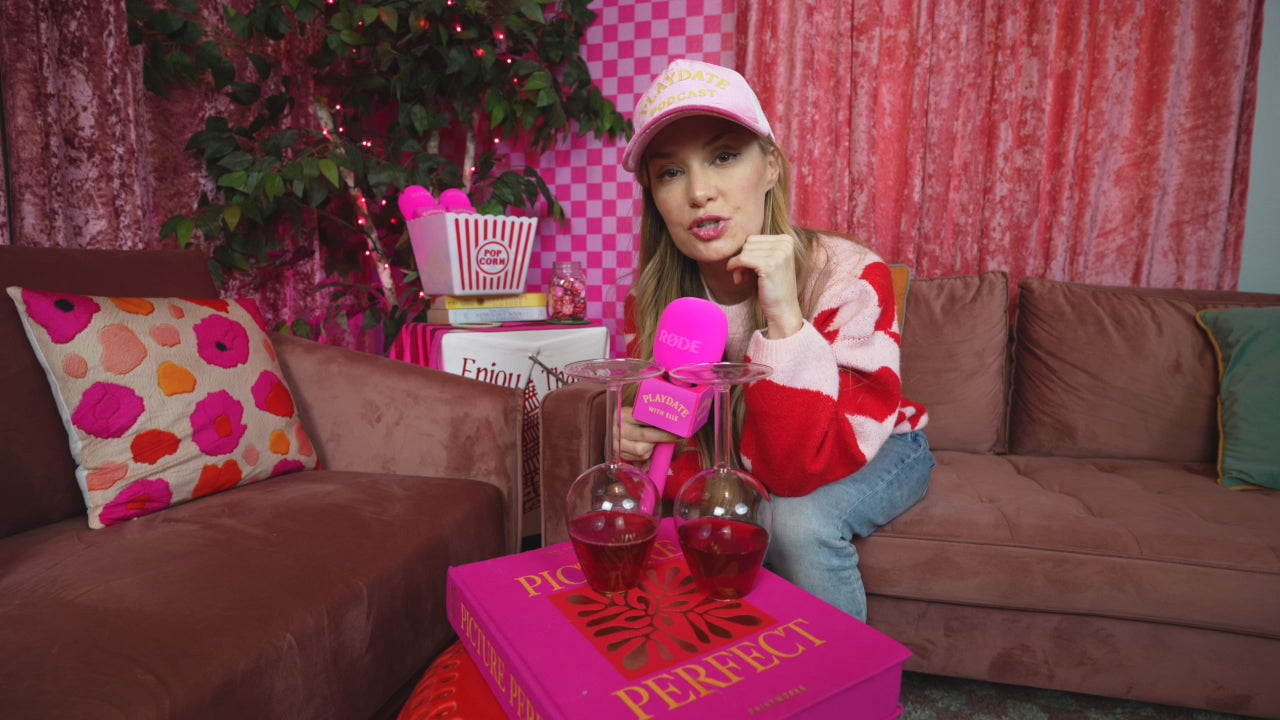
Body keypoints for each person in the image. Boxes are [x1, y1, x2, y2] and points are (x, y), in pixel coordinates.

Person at [616, 58, 935, 622]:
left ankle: (840, 673)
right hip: (750, 458)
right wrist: (636, 439)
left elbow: (794, 473)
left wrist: (785, 319)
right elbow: (681, 459)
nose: (699, 192)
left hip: (876, 442)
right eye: (670, 172)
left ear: (770, 167)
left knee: (797, 523)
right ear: (653, 196)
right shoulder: (654, 302)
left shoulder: (851, 275)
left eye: (723, 156)